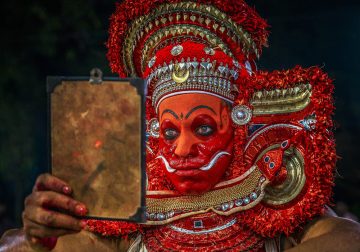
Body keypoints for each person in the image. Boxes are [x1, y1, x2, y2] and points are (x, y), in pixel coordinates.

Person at [1, 0, 360, 251]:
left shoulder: (274, 217)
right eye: (170, 131)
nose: (182, 150)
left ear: (238, 128)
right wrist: (38, 240)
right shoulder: (128, 218)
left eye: (203, 129)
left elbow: (350, 239)